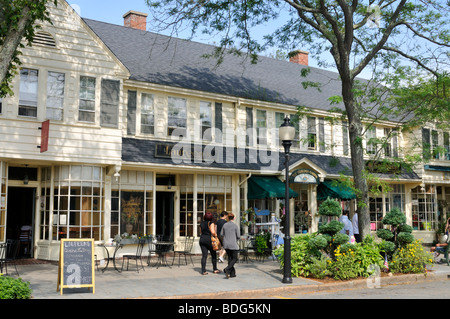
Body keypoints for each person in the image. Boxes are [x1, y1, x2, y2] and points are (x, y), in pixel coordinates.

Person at [220, 212, 240, 278]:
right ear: (233, 218)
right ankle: (227, 269)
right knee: (234, 258)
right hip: (233, 244)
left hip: (226, 244)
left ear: (228, 218)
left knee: (230, 258)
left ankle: (232, 274)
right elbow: (238, 236)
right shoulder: (235, 226)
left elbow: (221, 234)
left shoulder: (225, 225)